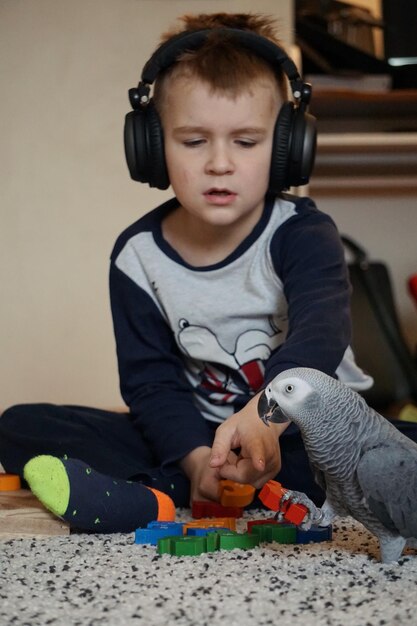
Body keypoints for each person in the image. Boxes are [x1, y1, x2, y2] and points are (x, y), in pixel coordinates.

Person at [0, 12, 373, 532]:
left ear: (287, 147)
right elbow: (151, 384)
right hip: (197, 435)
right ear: (151, 148)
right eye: (193, 141)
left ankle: (162, 486)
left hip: (300, 432)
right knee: (21, 425)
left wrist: (263, 419)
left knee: (382, 451)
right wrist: (197, 458)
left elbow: (320, 335)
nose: (219, 163)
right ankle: (179, 486)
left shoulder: (304, 234)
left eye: (246, 142)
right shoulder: (137, 257)